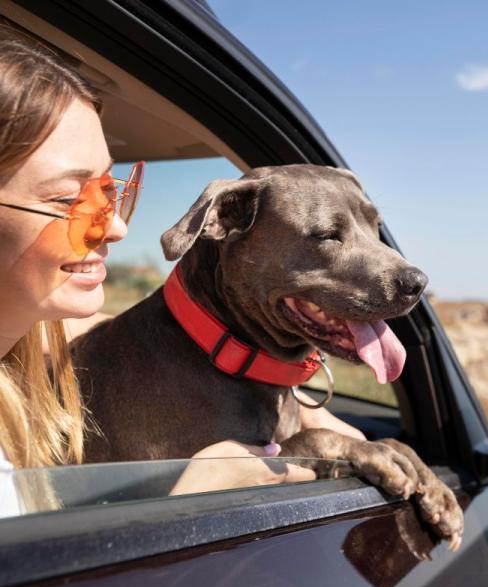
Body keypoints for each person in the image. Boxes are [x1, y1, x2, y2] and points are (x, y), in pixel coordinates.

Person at [0, 26, 362, 515]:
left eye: (111, 193)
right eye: (68, 199)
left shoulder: (32, 356)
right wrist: (185, 508)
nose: (115, 231)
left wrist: (302, 410)